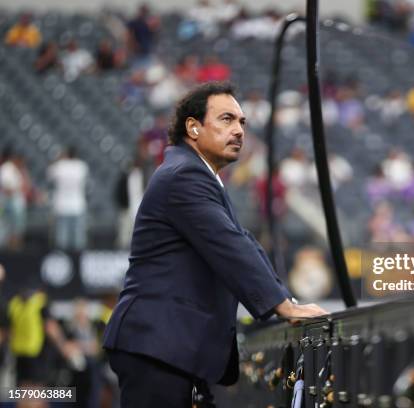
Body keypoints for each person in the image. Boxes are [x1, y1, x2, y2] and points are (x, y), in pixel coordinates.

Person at [102, 82, 327, 408]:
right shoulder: (183, 176)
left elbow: (242, 242)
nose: (238, 130)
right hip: (157, 347)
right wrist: (283, 306)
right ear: (193, 127)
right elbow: (230, 246)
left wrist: (286, 299)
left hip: (168, 348)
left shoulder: (198, 176)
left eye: (241, 122)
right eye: (226, 119)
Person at [47, 147, 89, 251]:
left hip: (62, 207)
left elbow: (48, 174)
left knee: (62, 241)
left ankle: (63, 263)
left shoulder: (59, 166)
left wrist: (60, 158)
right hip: (77, 206)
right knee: (78, 241)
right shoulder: (81, 166)